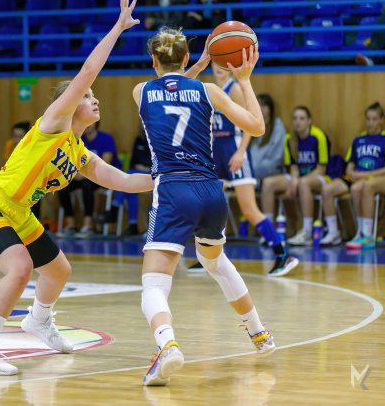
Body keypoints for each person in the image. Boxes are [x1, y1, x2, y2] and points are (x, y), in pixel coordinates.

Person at [0, 0, 150, 376]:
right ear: (71, 102)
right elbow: (87, 73)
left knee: (59, 270)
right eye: (88, 97)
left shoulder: (80, 152)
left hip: (19, 213)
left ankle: (38, 321)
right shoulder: (55, 123)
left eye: (95, 97)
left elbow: (125, 180)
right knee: (20, 268)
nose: (95, 101)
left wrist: (168, 179)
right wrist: (117, 28)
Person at [135, 29, 275, 386]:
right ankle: (259, 333)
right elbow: (257, 127)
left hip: (173, 190)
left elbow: (170, 89)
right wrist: (244, 80)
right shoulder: (209, 91)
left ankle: (167, 346)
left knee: (153, 283)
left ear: (153, 61)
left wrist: (189, 69)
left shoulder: (141, 92)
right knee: (216, 262)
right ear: (185, 59)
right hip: (211, 192)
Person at [185, 63, 298, 277]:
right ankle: (209, 257)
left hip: (235, 152)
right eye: (215, 64)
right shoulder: (209, 89)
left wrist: (240, 152)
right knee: (210, 208)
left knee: (248, 208)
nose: (218, 68)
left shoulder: (233, 89)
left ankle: (283, 254)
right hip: (216, 154)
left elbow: (249, 122)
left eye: (222, 65)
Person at [260, 107, 330, 246]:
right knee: (268, 183)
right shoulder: (289, 139)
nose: (298, 122)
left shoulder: (318, 136)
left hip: (319, 178)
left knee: (304, 184)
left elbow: (321, 169)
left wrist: (298, 181)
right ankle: (269, 230)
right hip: (298, 177)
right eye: (295, 118)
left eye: (302, 118)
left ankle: (307, 232)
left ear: (309, 121)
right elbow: (292, 167)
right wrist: (294, 181)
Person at [320, 102, 385, 248]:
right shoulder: (358, 140)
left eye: (374, 119)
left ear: (381, 120)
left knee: (363, 187)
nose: (371, 123)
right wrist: (351, 173)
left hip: (376, 178)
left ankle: (366, 234)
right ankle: (333, 233)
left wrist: (367, 175)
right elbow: (350, 165)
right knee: (327, 189)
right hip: (356, 177)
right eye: (368, 119)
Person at [57, 121, 121, 237]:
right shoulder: (79, 140)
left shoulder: (106, 139)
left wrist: (82, 174)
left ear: (95, 123)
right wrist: (74, 174)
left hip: (104, 177)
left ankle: (88, 226)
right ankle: (71, 226)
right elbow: (71, 162)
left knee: (87, 185)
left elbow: (105, 164)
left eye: (89, 123)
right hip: (81, 176)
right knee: (62, 186)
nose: (86, 125)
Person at [99, 125, 152, 235]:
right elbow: (133, 161)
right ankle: (133, 226)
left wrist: (146, 167)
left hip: (153, 176)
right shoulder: (139, 140)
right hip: (138, 173)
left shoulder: (158, 140)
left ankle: (115, 208)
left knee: (129, 177)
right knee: (130, 189)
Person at [3, 121, 42, 219]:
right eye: (14, 136)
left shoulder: (33, 147)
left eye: (20, 136)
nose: (16, 140)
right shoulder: (10, 145)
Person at [250, 94, 286, 182]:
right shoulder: (252, 126)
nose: (260, 108)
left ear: (270, 108)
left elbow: (276, 158)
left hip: (271, 170)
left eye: (264, 105)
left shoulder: (277, 126)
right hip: (254, 169)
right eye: (258, 105)